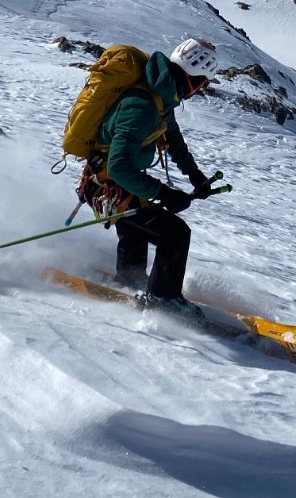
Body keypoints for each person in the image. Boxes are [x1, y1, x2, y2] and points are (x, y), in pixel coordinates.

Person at [89, 38, 221, 318]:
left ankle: (130, 281)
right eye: (204, 83)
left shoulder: (161, 94)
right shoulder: (142, 106)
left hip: (117, 188)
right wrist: (165, 193)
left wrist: (195, 175)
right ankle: (163, 299)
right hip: (108, 187)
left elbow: (171, 137)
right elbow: (119, 167)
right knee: (175, 234)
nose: (202, 90)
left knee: (137, 226)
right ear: (194, 78)